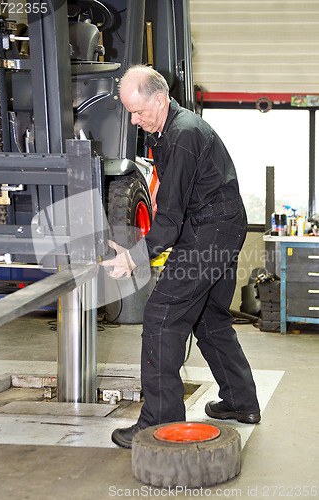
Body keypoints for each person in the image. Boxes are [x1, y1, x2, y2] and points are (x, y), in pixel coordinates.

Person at [101, 65, 260, 449]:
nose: (135, 121)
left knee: (161, 316)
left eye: (139, 112)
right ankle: (241, 402)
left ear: (159, 99)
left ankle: (158, 422)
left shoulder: (183, 134)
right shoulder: (169, 129)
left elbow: (170, 219)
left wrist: (135, 257)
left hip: (208, 232)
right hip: (222, 227)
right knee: (210, 318)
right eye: (130, 114)